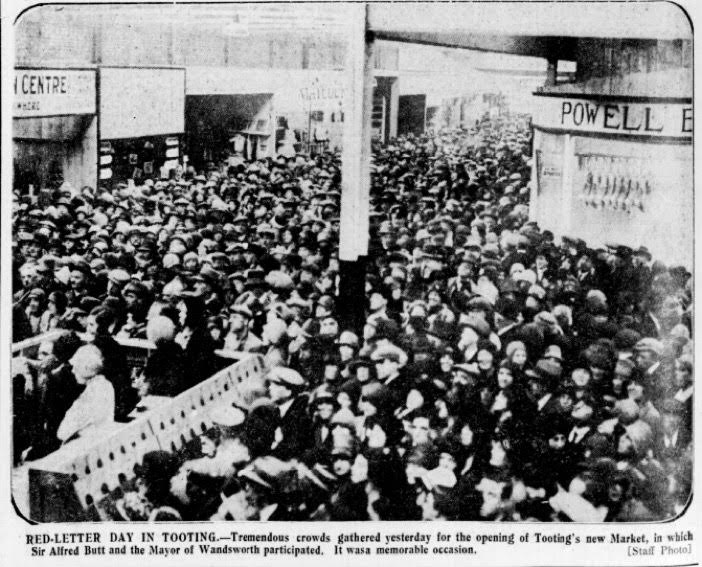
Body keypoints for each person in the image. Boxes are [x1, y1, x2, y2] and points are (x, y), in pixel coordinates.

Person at [56, 344, 115, 443]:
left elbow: (63, 432)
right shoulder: (104, 385)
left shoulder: (93, 391)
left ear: (86, 368)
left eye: (76, 366)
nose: (73, 370)